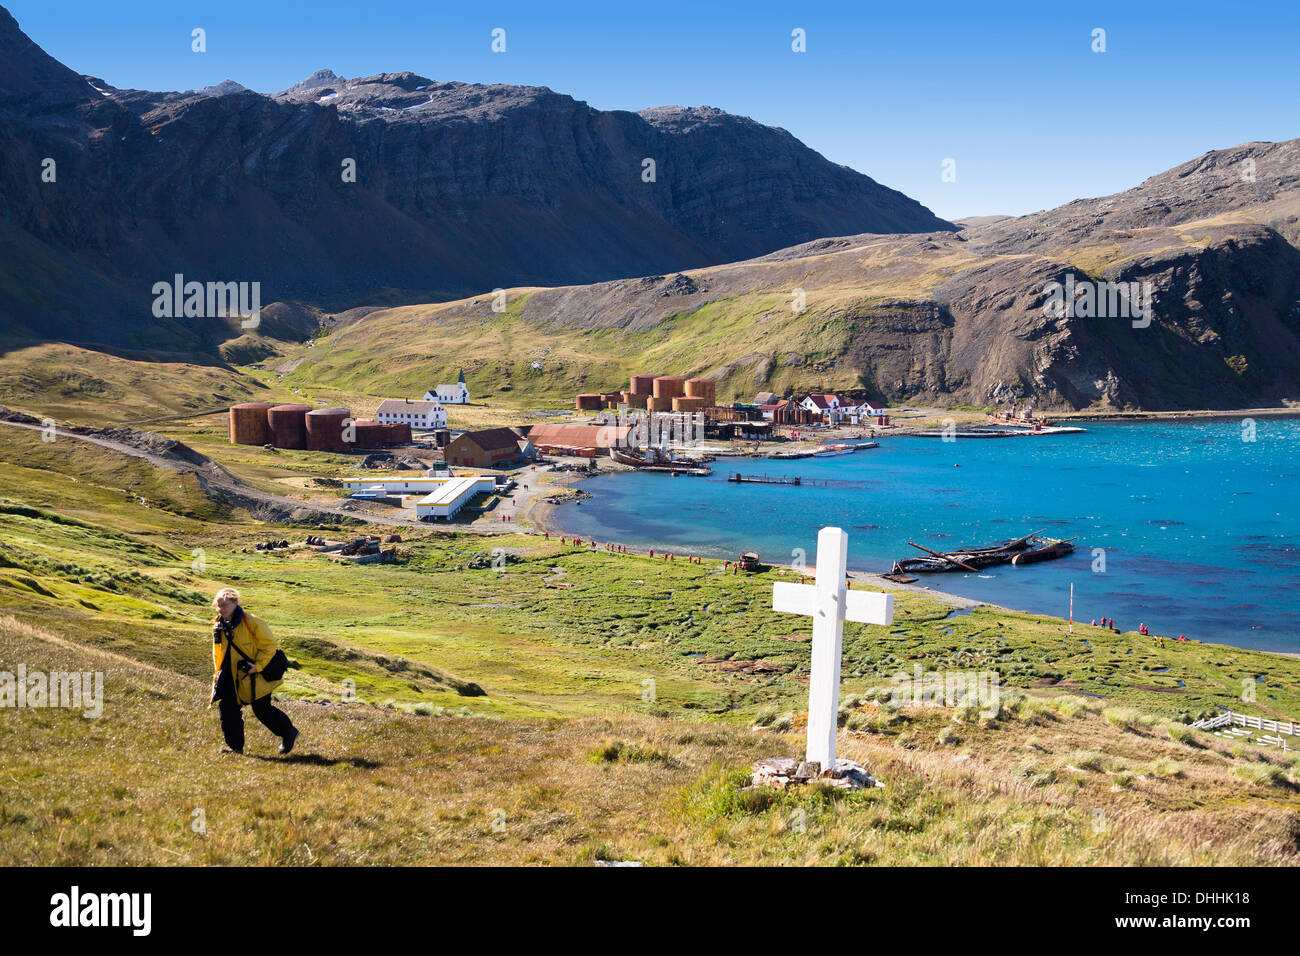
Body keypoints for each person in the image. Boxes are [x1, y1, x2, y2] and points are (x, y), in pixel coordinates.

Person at [210, 587, 299, 756]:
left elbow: (269, 647)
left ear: (235, 603)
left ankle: (289, 733)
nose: (221, 609)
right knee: (228, 709)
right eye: (218, 606)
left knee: (262, 710)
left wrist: (257, 667)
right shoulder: (218, 624)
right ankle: (235, 748)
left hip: (255, 675)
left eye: (224, 605)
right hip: (230, 676)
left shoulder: (253, 623)